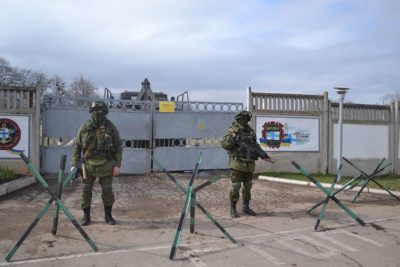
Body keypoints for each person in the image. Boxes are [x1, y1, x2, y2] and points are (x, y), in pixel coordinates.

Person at [71, 100, 122, 226]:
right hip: (88, 166)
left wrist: (117, 165)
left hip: (106, 165)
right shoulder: (85, 127)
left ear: (105, 112)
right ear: (91, 112)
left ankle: (108, 215)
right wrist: (74, 164)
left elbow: (118, 147)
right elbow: (77, 146)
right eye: (95, 111)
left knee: (107, 192)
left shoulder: (111, 128)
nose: (98, 113)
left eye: (101, 111)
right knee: (86, 191)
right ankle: (86, 216)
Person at [221, 111, 273, 218]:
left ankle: (246, 208)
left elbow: (255, 145)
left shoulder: (250, 131)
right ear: (239, 119)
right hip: (237, 163)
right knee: (236, 186)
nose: (247, 121)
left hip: (249, 163)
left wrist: (264, 154)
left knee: (248, 186)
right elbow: (224, 144)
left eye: (248, 119)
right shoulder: (232, 131)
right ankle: (233, 208)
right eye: (245, 119)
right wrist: (233, 141)